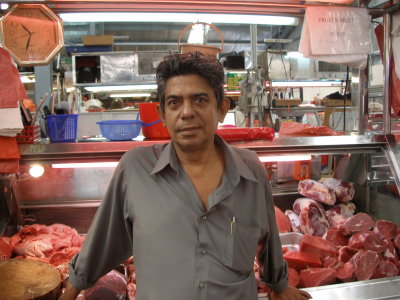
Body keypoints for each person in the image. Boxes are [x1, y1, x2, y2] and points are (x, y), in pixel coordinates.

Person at [61, 52, 312, 300]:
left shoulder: (251, 170)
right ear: (162, 114)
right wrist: (71, 290)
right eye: (174, 102)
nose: (187, 112)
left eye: (200, 100)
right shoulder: (135, 169)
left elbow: (268, 238)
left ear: (222, 109)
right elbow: (103, 240)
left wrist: (279, 286)